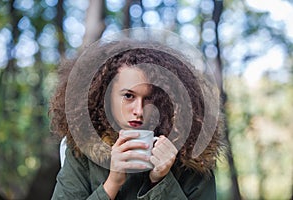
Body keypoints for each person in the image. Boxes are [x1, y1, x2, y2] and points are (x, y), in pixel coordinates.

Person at [49, 38, 225, 200]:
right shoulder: (82, 149)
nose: (139, 110)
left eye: (149, 98)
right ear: (106, 95)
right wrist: (112, 183)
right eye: (128, 96)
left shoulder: (190, 153)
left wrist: (160, 181)